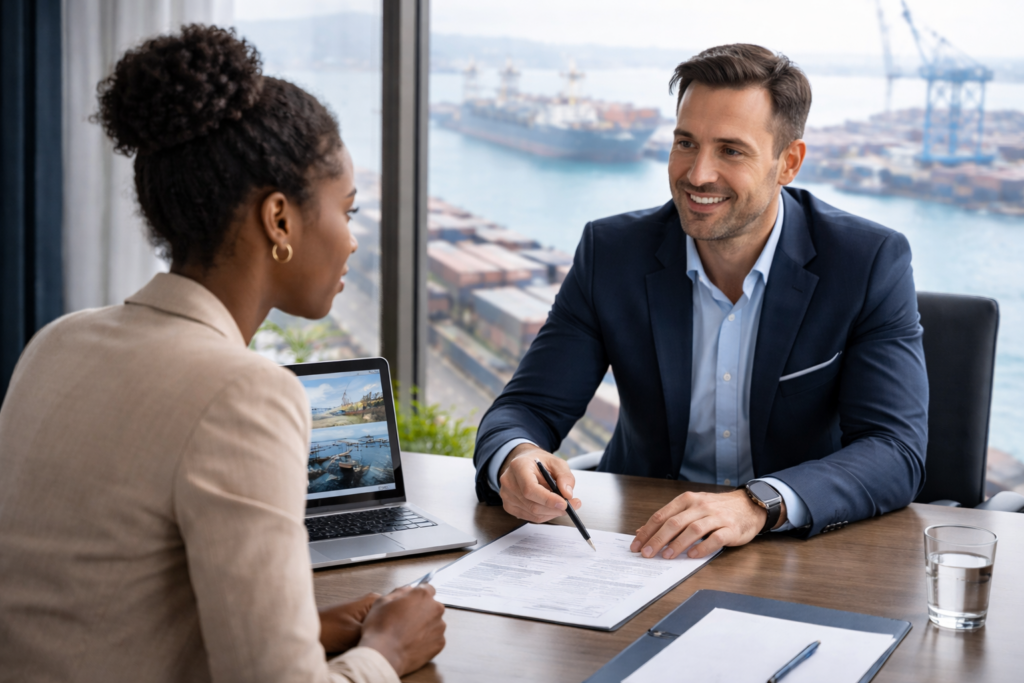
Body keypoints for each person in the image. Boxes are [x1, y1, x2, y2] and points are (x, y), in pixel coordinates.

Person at [0, 25, 444, 683]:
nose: (353, 241)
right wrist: (387, 651)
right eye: (347, 211)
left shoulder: (57, 341)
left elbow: (99, 608)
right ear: (280, 220)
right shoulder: (241, 392)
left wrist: (307, 629)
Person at [473, 44, 928, 560]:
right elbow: (528, 408)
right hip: (641, 542)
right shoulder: (612, 253)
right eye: (685, 143)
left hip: (795, 551)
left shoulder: (867, 262)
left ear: (789, 163)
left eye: (731, 150)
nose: (697, 174)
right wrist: (516, 456)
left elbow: (894, 451)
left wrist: (757, 503)